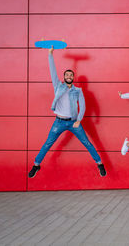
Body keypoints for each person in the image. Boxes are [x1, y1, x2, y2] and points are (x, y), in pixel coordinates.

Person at [28, 47, 106, 178]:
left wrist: (78, 120)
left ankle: (99, 163)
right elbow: (52, 71)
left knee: (87, 143)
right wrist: (50, 55)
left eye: (71, 75)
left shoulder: (78, 91)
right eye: (67, 75)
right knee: (48, 143)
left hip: (73, 122)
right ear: (64, 77)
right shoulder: (58, 86)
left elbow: (83, 106)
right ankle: (36, 165)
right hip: (58, 122)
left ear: (73, 78)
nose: (69, 76)